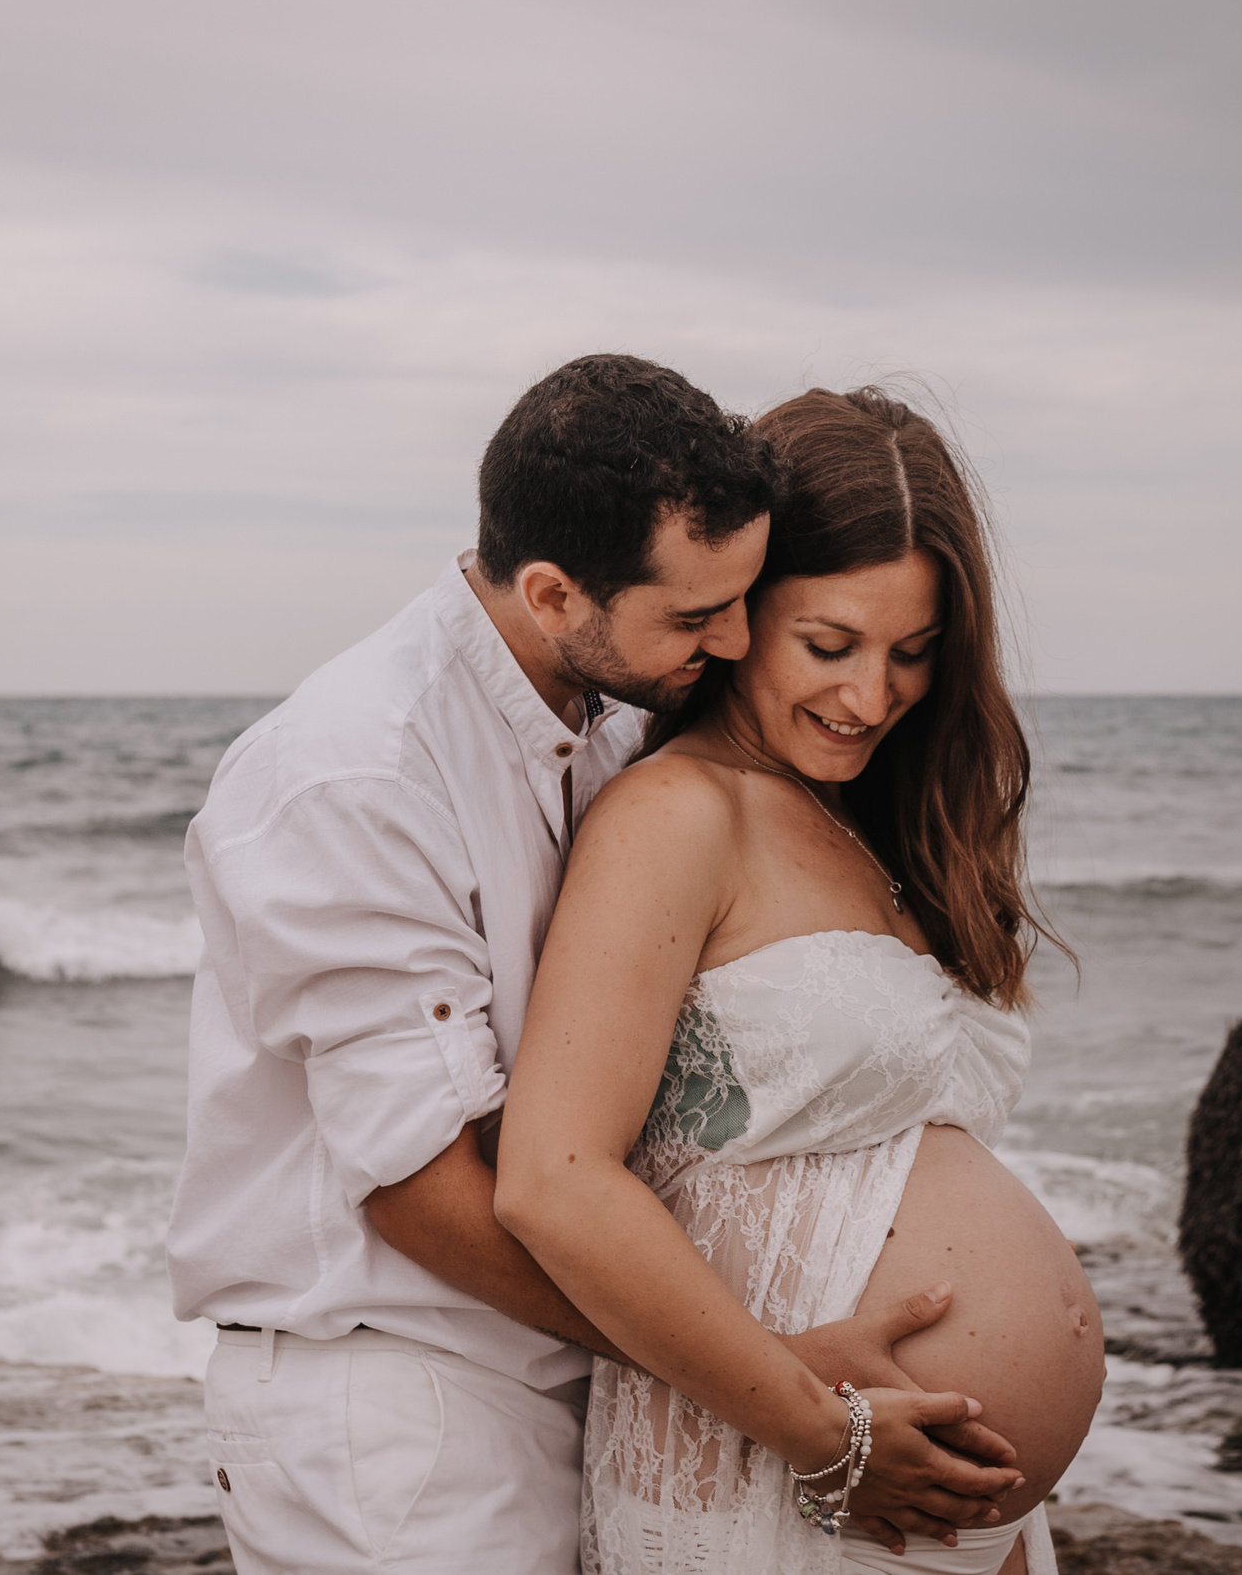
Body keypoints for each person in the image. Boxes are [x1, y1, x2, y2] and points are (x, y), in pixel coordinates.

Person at [167, 358, 1025, 1575]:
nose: (730, 642)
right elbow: (420, 1186)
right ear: (554, 591)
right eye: (694, 618)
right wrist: (776, 1383)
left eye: (741, 605)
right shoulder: (355, 772)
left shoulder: (613, 720)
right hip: (399, 1407)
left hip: (586, 1386)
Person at [495, 387, 1106, 1574]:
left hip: (931, 1512)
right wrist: (817, 1436)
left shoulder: (874, 830)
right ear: (737, 616)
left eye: (913, 653)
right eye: (828, 646)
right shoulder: (676, 817)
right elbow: (554, 1180)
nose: (870, 697)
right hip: (774, 1473)